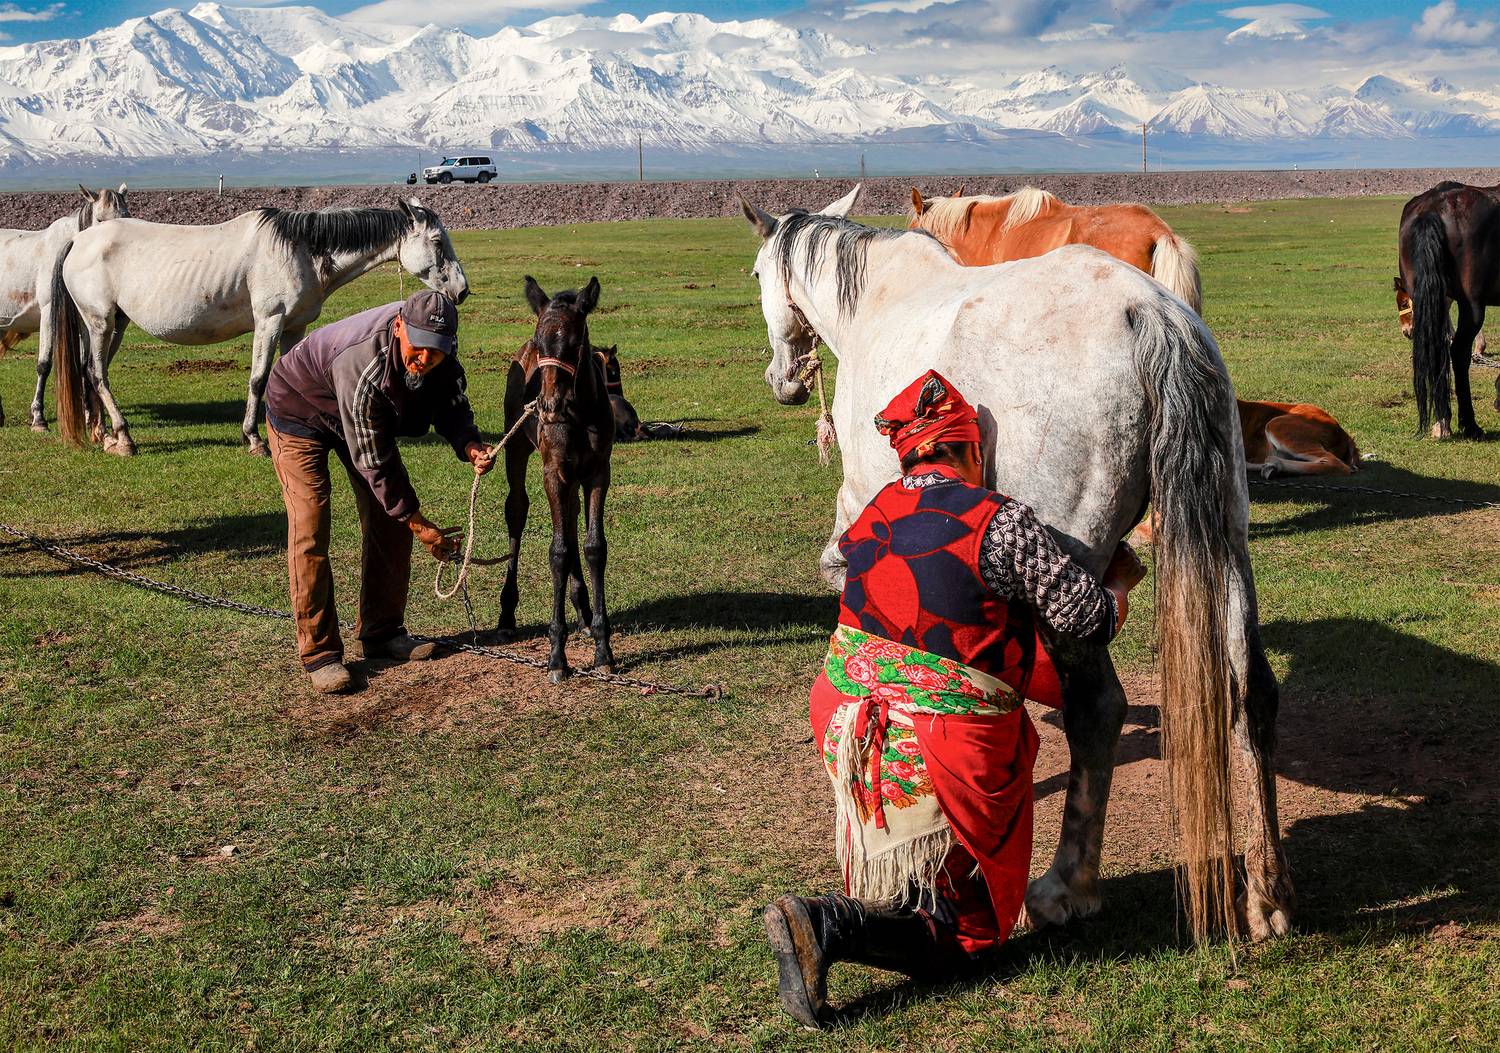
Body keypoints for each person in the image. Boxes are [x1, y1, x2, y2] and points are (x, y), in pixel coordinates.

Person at [763, 370, 1146, 1028]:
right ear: (970, 449)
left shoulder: (872, 511)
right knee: (973, 937)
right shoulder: (1003, 523)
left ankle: (887, 902)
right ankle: (828, 924)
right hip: (940, 743)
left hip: (850, 725)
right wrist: (1120, 582)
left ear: (909, 456)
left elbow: (848, 570)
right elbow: (1088, 620)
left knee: (932, 888)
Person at [264, 290, 495, 694]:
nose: (425, 358)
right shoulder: (364, 363)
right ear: (400, 327)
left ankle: (382, 633)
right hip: (299, 409)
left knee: (390, 521)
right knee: (310, 525)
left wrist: (469, 444)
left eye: (436, 351)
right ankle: (320, 654)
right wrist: (421, 526)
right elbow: (376, 464)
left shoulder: (441, 357)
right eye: (419, 346)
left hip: (359, 416)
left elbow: (452, 405)